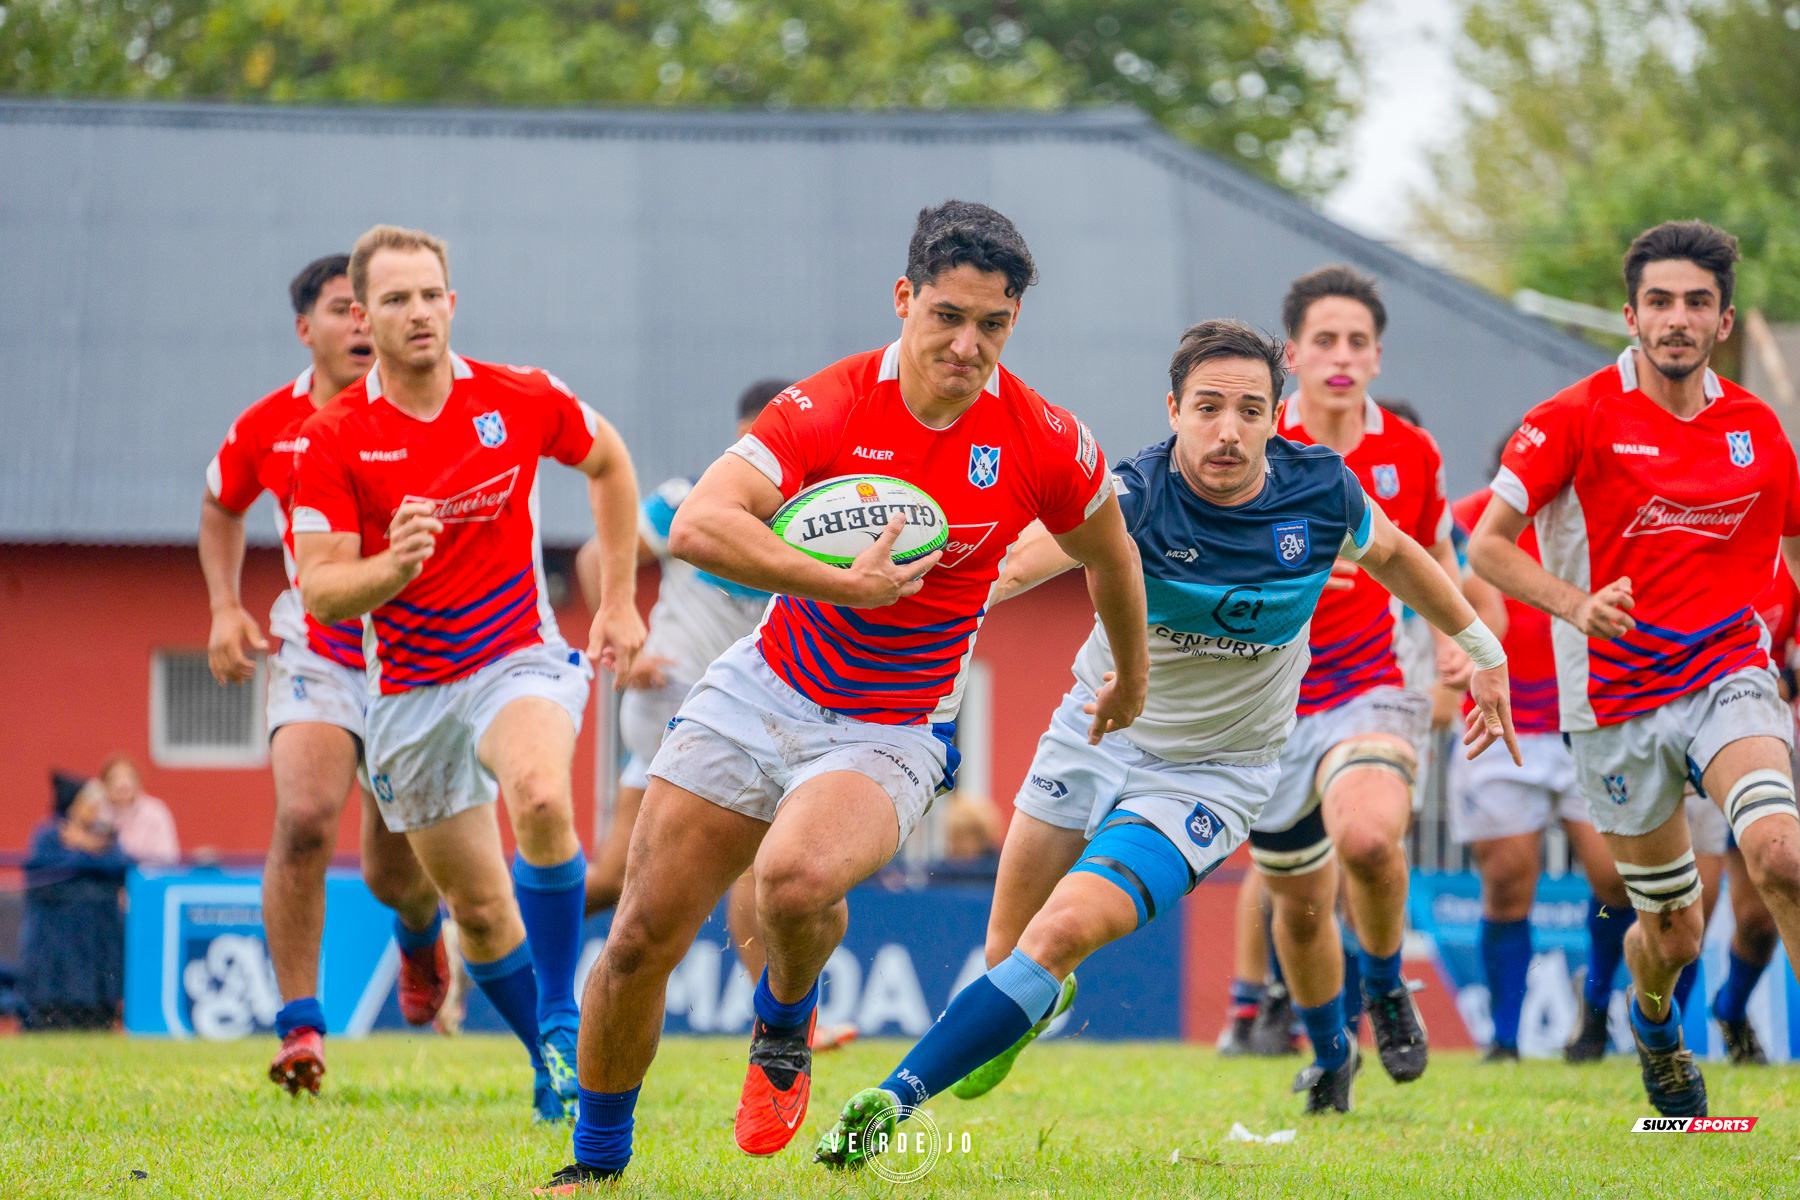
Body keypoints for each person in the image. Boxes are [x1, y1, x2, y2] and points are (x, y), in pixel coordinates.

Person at [536, 200, 1144, 1192]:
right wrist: (836, 582)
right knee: (644, 930)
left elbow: (1113, 559)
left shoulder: (1044, 439)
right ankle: (594, 1167)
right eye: (947, 315)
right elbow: (697, 525)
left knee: (792, 884)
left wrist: (1132, 676)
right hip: (763, 686)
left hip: (895, 724)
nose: (967, 344)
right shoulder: (828, 405)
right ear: (904, 299)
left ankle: (782, 1025)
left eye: (992, 325)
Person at [813, 320, 1519, 1169]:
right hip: (1095, 732)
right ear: (1174, 409)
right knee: (1005, 953)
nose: (1229, 429)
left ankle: (888, 1104)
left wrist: (1482, 651)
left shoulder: (1321, 489)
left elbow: (1399, 555)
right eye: (1209, 407)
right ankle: (1017, 1011)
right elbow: (1015, 563)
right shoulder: (1133, 494)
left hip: (1211, 774)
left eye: (1251, 410)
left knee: (1060, 933)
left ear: (1276, 416)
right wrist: (904, 590)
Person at [292, 226, 646, 1122]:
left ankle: (566, 1015)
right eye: (396, 299)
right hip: (408, 692)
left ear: (453, 302)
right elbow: (324, 592)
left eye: (431, 295)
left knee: (539, 794)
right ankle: (548, 1057)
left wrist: (617, 599)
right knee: (480, 914)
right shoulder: (332, 439)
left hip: (515, 655)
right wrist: (391, 568)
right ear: (364, 318)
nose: (418, 313)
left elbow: (608, 461)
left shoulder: (518, 396)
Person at [1468, 220, 1800, 1118]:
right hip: (1614, 701)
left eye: (1697, 302)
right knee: (1672, 929)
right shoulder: (1571, 416)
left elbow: (1794, 545)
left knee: (1782, 856)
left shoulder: (1756, 429)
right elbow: (1486, 548)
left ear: (1724, 320)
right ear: (1631, 314)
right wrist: (1576, 607)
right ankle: (1652, 1023)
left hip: (1730, 672)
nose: (1678, 319)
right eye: (1660, 302)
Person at [200, 254, 447, 1097]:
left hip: (419, 653)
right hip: (320, 645)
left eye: (364, 307)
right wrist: (225, 607)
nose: (357, 325)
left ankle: (418, 934)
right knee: (305, 818)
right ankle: (300, 1026)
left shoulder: (429, 403)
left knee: (394, 867)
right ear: (307, 328)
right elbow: (220, 503)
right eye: (342, 310)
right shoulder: (268, 425)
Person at [574, 378, 860, 1054]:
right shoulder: (688, 501)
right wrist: (625, 635)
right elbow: (594, 556)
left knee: (616, 877)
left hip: (739, 712)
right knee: (752, 857)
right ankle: (785, 1021)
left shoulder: (814, 520)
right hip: (674, 703)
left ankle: (487, 933)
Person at [1247, 267, 1471, 1091]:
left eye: (1358, 343)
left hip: (1366, 686)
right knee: (1299, 910)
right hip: (1261, 707)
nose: (1341, 356)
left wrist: (1456, 640)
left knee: (1371, 840)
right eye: (1324, 341)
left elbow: (1436, 557)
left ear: (1377, 358)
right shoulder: (1255, 446)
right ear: (1293, 356)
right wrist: (1287, 583)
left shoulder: (1410, 453)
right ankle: (1330, 1059)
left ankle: (1382, 984)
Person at [1447, 478, 1631, 1063]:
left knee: (1616, 883)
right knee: (1506, 882)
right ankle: (1504, 1039)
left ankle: (1596, 1012)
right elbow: (1432, 584)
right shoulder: (1469, 519)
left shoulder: (1607, 514)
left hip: (1591, 720)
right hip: (1502, 722)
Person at [21, 777, 130, 1030]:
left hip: (97, 942)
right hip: (55, 940)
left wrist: (83, 846)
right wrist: (84, 853)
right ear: (73, 806)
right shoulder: (48, 835)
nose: (96, 810)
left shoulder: (106, 837)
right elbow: (44, 877)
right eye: (89, 803)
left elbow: (120, 867)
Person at [97, 755, 179, 867]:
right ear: (103, 785)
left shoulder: (155, 812)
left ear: (138, 782)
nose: (122, 783)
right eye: (114, 778)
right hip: (107, 881)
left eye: (128, 777)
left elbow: (167, 858)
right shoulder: (97, 813)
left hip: (147, 879)